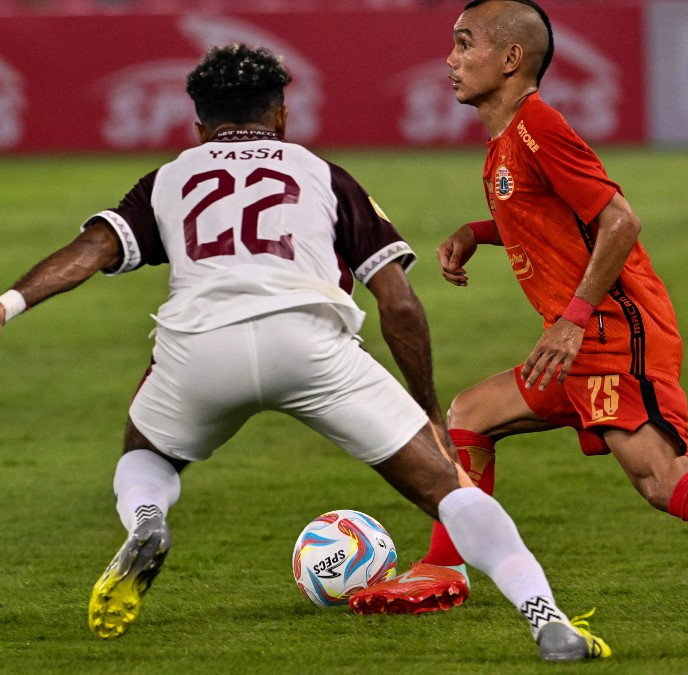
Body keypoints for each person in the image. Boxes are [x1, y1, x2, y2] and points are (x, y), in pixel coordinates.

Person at [0, 43, 609, 662]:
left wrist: (9, 303)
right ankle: (546, 617)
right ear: (284, 116)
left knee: (146, 454)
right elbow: (397, 302)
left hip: (200, 351)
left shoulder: (171, 176)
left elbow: (91, 250)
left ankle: (147, 520)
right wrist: (426, 409)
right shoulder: (321, 173)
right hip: (313, 348)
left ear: (198, 126)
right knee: (449, 492)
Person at [348, 0, 688, 620]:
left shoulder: (538, 126)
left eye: (465, 44)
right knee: (471, 415)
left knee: (664, 482)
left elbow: (619, 221)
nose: (451, 59)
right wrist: (475, 232)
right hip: (575, 338)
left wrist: (572, 318)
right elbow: (551, 221)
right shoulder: (507, 139)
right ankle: (443, 569)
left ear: (511, 58)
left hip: (612, 334)